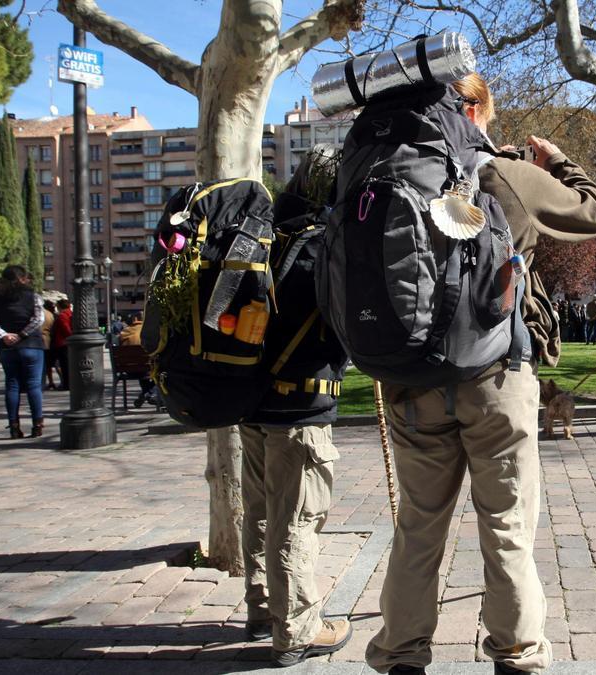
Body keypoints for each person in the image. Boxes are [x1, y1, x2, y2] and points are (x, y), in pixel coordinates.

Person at [365, 73, 596, 675]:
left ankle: (401, 656)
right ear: (474, 110)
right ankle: (517, 656)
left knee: (418, 528)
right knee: (505, 525)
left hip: (411, 379)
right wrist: (558, 162)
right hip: (496, 376)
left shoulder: (380, 170)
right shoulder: (503, 174)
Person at [237, 146, 353, 667]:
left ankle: (262, 609)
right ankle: (299, 628)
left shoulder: (260, 238)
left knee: (261, 514)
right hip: (301, 408)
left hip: (251, 402)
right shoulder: (321, 248)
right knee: (298, 520)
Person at [0, 266, 45, 438]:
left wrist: (4, 335)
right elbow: (38, 319)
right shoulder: (32, 296)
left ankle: (13, 425)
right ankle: (37, 424)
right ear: (22, 278)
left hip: (8, 347)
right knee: (34, 385)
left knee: (12, 385)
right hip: (31, 344)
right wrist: (22, 334)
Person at [117, 313, 157, 408]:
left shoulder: (125, 332)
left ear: (135, 319)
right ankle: (149, 393)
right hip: (147, 367)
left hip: (129, 369)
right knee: (161, 372)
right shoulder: (150, 331)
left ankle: (146, 393)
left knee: (142, 371)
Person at [50, 299, 73, 391]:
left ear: (59, 306)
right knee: (66, 364)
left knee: (64, 365)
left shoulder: (62, 316)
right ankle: (68, 383)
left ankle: (66, 384)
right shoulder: (71, 313)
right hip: (66, 343)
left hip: (62, 343)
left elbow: (66, 329)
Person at [40, 300, 57, 389]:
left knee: (41, 364)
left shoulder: (40, 314)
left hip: (39, 340)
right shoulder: (51, 315)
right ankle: (51, 381)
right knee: (49, 364)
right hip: (49, 340)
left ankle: (42, 382)